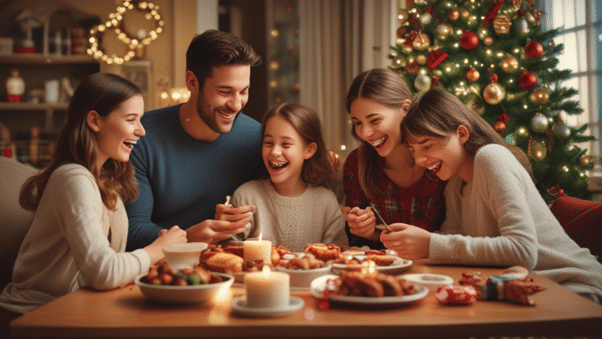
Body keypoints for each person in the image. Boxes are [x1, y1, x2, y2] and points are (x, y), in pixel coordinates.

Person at [0, 73, 187, 329]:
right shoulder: (73, 179)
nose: (141, 131)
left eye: (140, 120)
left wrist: (158, 258)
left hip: (77, 310)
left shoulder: (105, 181)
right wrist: (158, 249)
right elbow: (103, 273)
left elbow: (105, 269)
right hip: (34, 317)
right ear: (94, 120)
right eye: (131, 119)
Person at [385, 86, 602, 303]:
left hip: (574, 287)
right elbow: (450, 243)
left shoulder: (492, 158)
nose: (420, 159)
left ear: (461, 133)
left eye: (426, 145)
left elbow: (522, 251)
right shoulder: (453, 183)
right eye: (413, 150)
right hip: (525, 288)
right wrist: (409, 247)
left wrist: (431, 244)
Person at [125, 30, 264, 251]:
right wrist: (188, 238)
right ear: (192, 82)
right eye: (225, 91)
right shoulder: (143, 136)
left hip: (232, 269)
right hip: (162, 272)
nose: (236, 105)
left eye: (244, 91)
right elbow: (131, 232)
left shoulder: (257, 137)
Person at [343, 68, 446, 249]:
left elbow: (455, 233)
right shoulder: (356, 164)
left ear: (405, 110)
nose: (365, 133)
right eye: (358, 122)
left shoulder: (439, 159)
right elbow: (361, 245)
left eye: (374, 120)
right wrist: (367, 231)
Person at [230, 103, 347, 251]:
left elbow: (339, 256)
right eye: (268, 143)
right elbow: (228, 251)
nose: (274, 152)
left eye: (285, 144)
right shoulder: (246, 197)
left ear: (309, 150)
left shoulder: (326, 202)